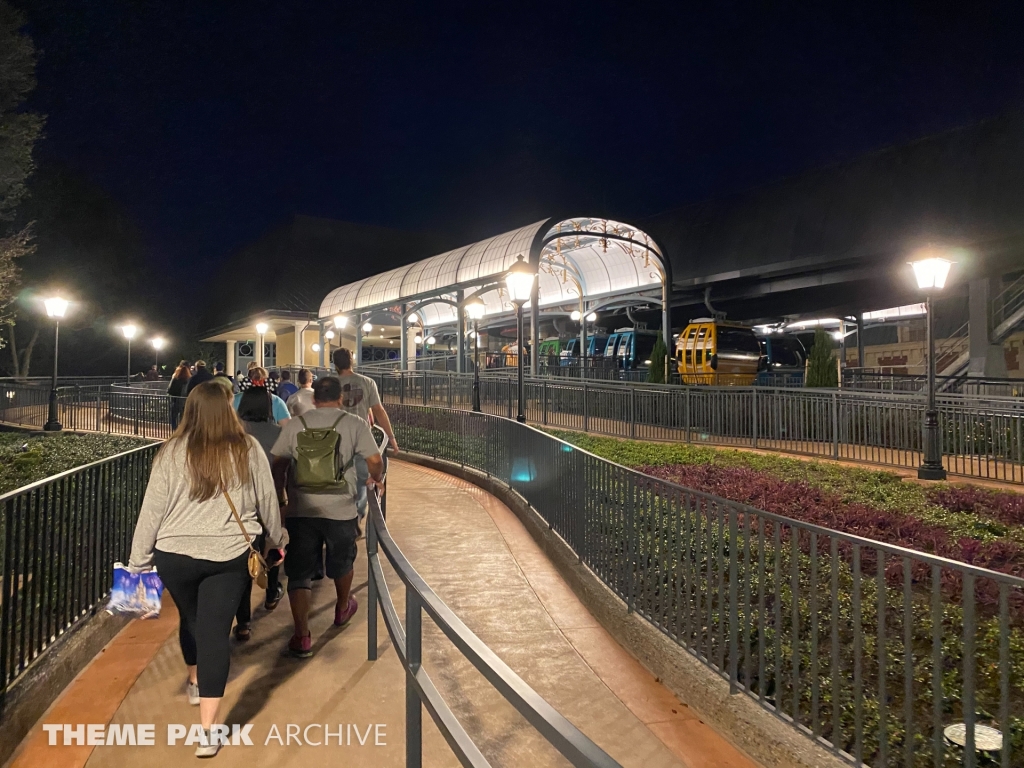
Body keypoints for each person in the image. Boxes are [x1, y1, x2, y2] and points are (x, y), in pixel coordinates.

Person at [127, 382, 287, 758]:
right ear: (227, 410)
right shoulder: (247, 449)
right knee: (215, 634)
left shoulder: (171, 451)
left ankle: (196, 682)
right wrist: (278, 537)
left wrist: (138, 562)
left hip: (173, 556)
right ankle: (208, 732)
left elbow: (151, 511)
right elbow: (267, 501)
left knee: (191, 619)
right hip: (227, 556)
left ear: (191, 410)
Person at [270, 376, 383, 658]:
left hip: (301, 509)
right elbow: (374, 461)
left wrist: (282, 498)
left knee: (299, 572)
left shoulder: (297, 425)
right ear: (340, 398)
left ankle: (301, 635)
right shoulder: (354, 424)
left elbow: (279, 465)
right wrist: (375, 479)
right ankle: (342, 607)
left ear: (314, 398)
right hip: (342, 509)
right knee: (342, 561)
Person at [232, 382, 285, 639]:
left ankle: (243, 622)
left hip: (243, 505)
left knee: (245, 557)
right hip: (274, 499)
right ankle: (272, 592)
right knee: (273, 546)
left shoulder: (234, 437)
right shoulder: (278, 434)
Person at [166, 361, 191, 430]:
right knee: (183, 416)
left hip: (176, 399)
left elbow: (170, 389)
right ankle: (183, 430)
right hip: (185, 400)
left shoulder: (176, 378)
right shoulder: (189, 378)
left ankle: (175, 430)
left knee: (173, 416)